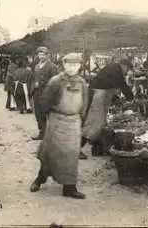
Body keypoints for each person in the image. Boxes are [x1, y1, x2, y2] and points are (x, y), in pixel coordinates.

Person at [30, 53, 89, 199]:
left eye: (75, 65)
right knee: (50, 153)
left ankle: (69, 188)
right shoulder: (56, 81)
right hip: (57, 121)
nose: (72, 68)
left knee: (71, 156)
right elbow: (44, 102)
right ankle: (40, 178)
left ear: (80, 66)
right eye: (69, 64)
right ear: (64, 65)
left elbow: (85, 102)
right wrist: (46, 121)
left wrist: (81, 119)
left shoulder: (82, 83)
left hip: (74, 123)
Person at [81, 58, 134, 159]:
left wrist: (116, 98)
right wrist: (130, 98)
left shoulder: (113, 68)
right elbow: (122, 85)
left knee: (101, 123)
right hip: (98, 95)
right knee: (93, 122)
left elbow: (110, 84)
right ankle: (78, 148)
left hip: (101, 93)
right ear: (124, 65)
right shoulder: (116, 70)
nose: (126, 72)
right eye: (127, 69)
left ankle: (97, 148)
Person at [30, 46, 59, 140]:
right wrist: (34, 87)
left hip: (47, 94)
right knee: (38, 114)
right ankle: (42, 132)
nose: (40, 56)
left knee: (48, 113)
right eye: (39, 54)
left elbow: (55, 81)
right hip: (37, 93)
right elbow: (33, 78)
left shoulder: (52, 66)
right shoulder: (36, 66)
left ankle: (51, 134)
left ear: (47, 55)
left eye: (42, 54)